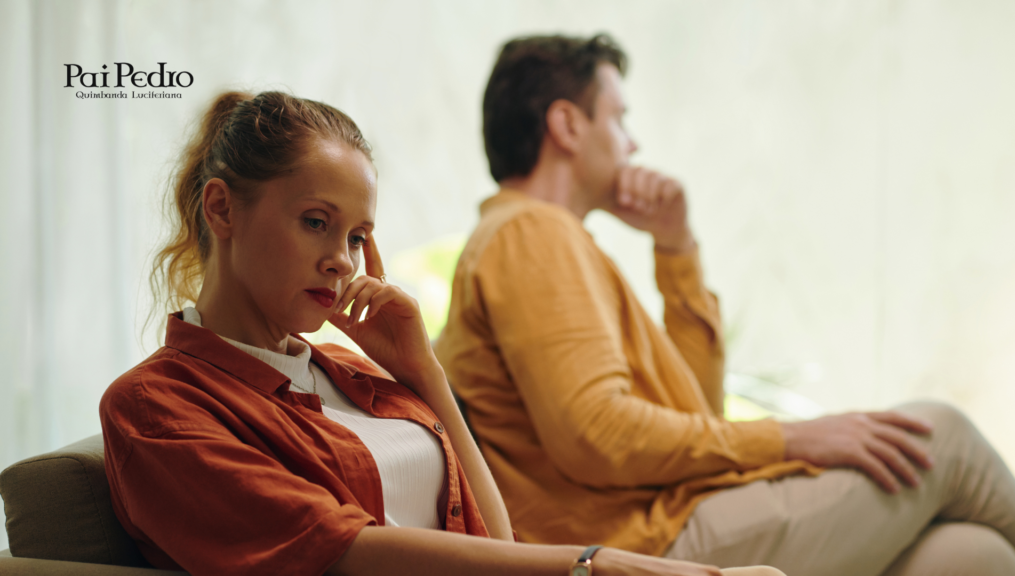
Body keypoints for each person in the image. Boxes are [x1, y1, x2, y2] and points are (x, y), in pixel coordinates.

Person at [99, 90, 783, 576]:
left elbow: (500, 538)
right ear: (222, 209)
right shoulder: (156, 406)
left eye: (358, 235)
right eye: (316, 221)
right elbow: (340, 552)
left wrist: (424, 375)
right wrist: (589, 565)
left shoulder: (351, 372)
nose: (342, 258)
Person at [435, 33, 1015, 576]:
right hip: (634, 545)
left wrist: (676, 248)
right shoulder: (530, 233)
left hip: (665, 517)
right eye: (618, 117)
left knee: (978, 558)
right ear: (566, 125)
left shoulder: (538, 236)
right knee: (940, 434)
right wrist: (794, 438)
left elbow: (696, 406)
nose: (632, 142)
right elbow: (599, 436)